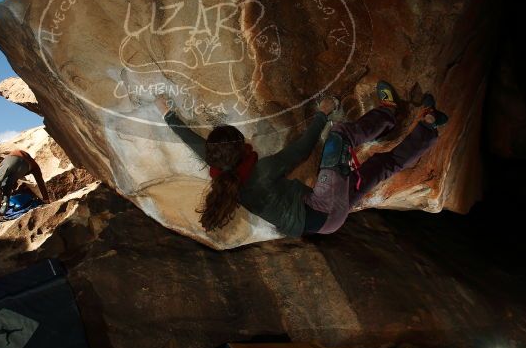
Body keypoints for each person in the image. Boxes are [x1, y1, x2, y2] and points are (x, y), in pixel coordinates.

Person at [155, 81, 448, 237]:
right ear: (239, 147)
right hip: (323, 208)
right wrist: (322, 112)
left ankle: (429, 125)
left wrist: (169, 115)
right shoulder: (260, 171)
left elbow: (196, 145)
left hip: (324, 224)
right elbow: (302, 149)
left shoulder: (228, 176)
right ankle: (388, 112)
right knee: (339, 137)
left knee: (379, 168)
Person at [0, 149, 50, 222]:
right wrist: (46, 199)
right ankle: (5, 204)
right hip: (26, 166)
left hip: (11, 159)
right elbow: (40, 182)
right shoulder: (35, 165)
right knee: (8, 184)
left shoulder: (11, 156)